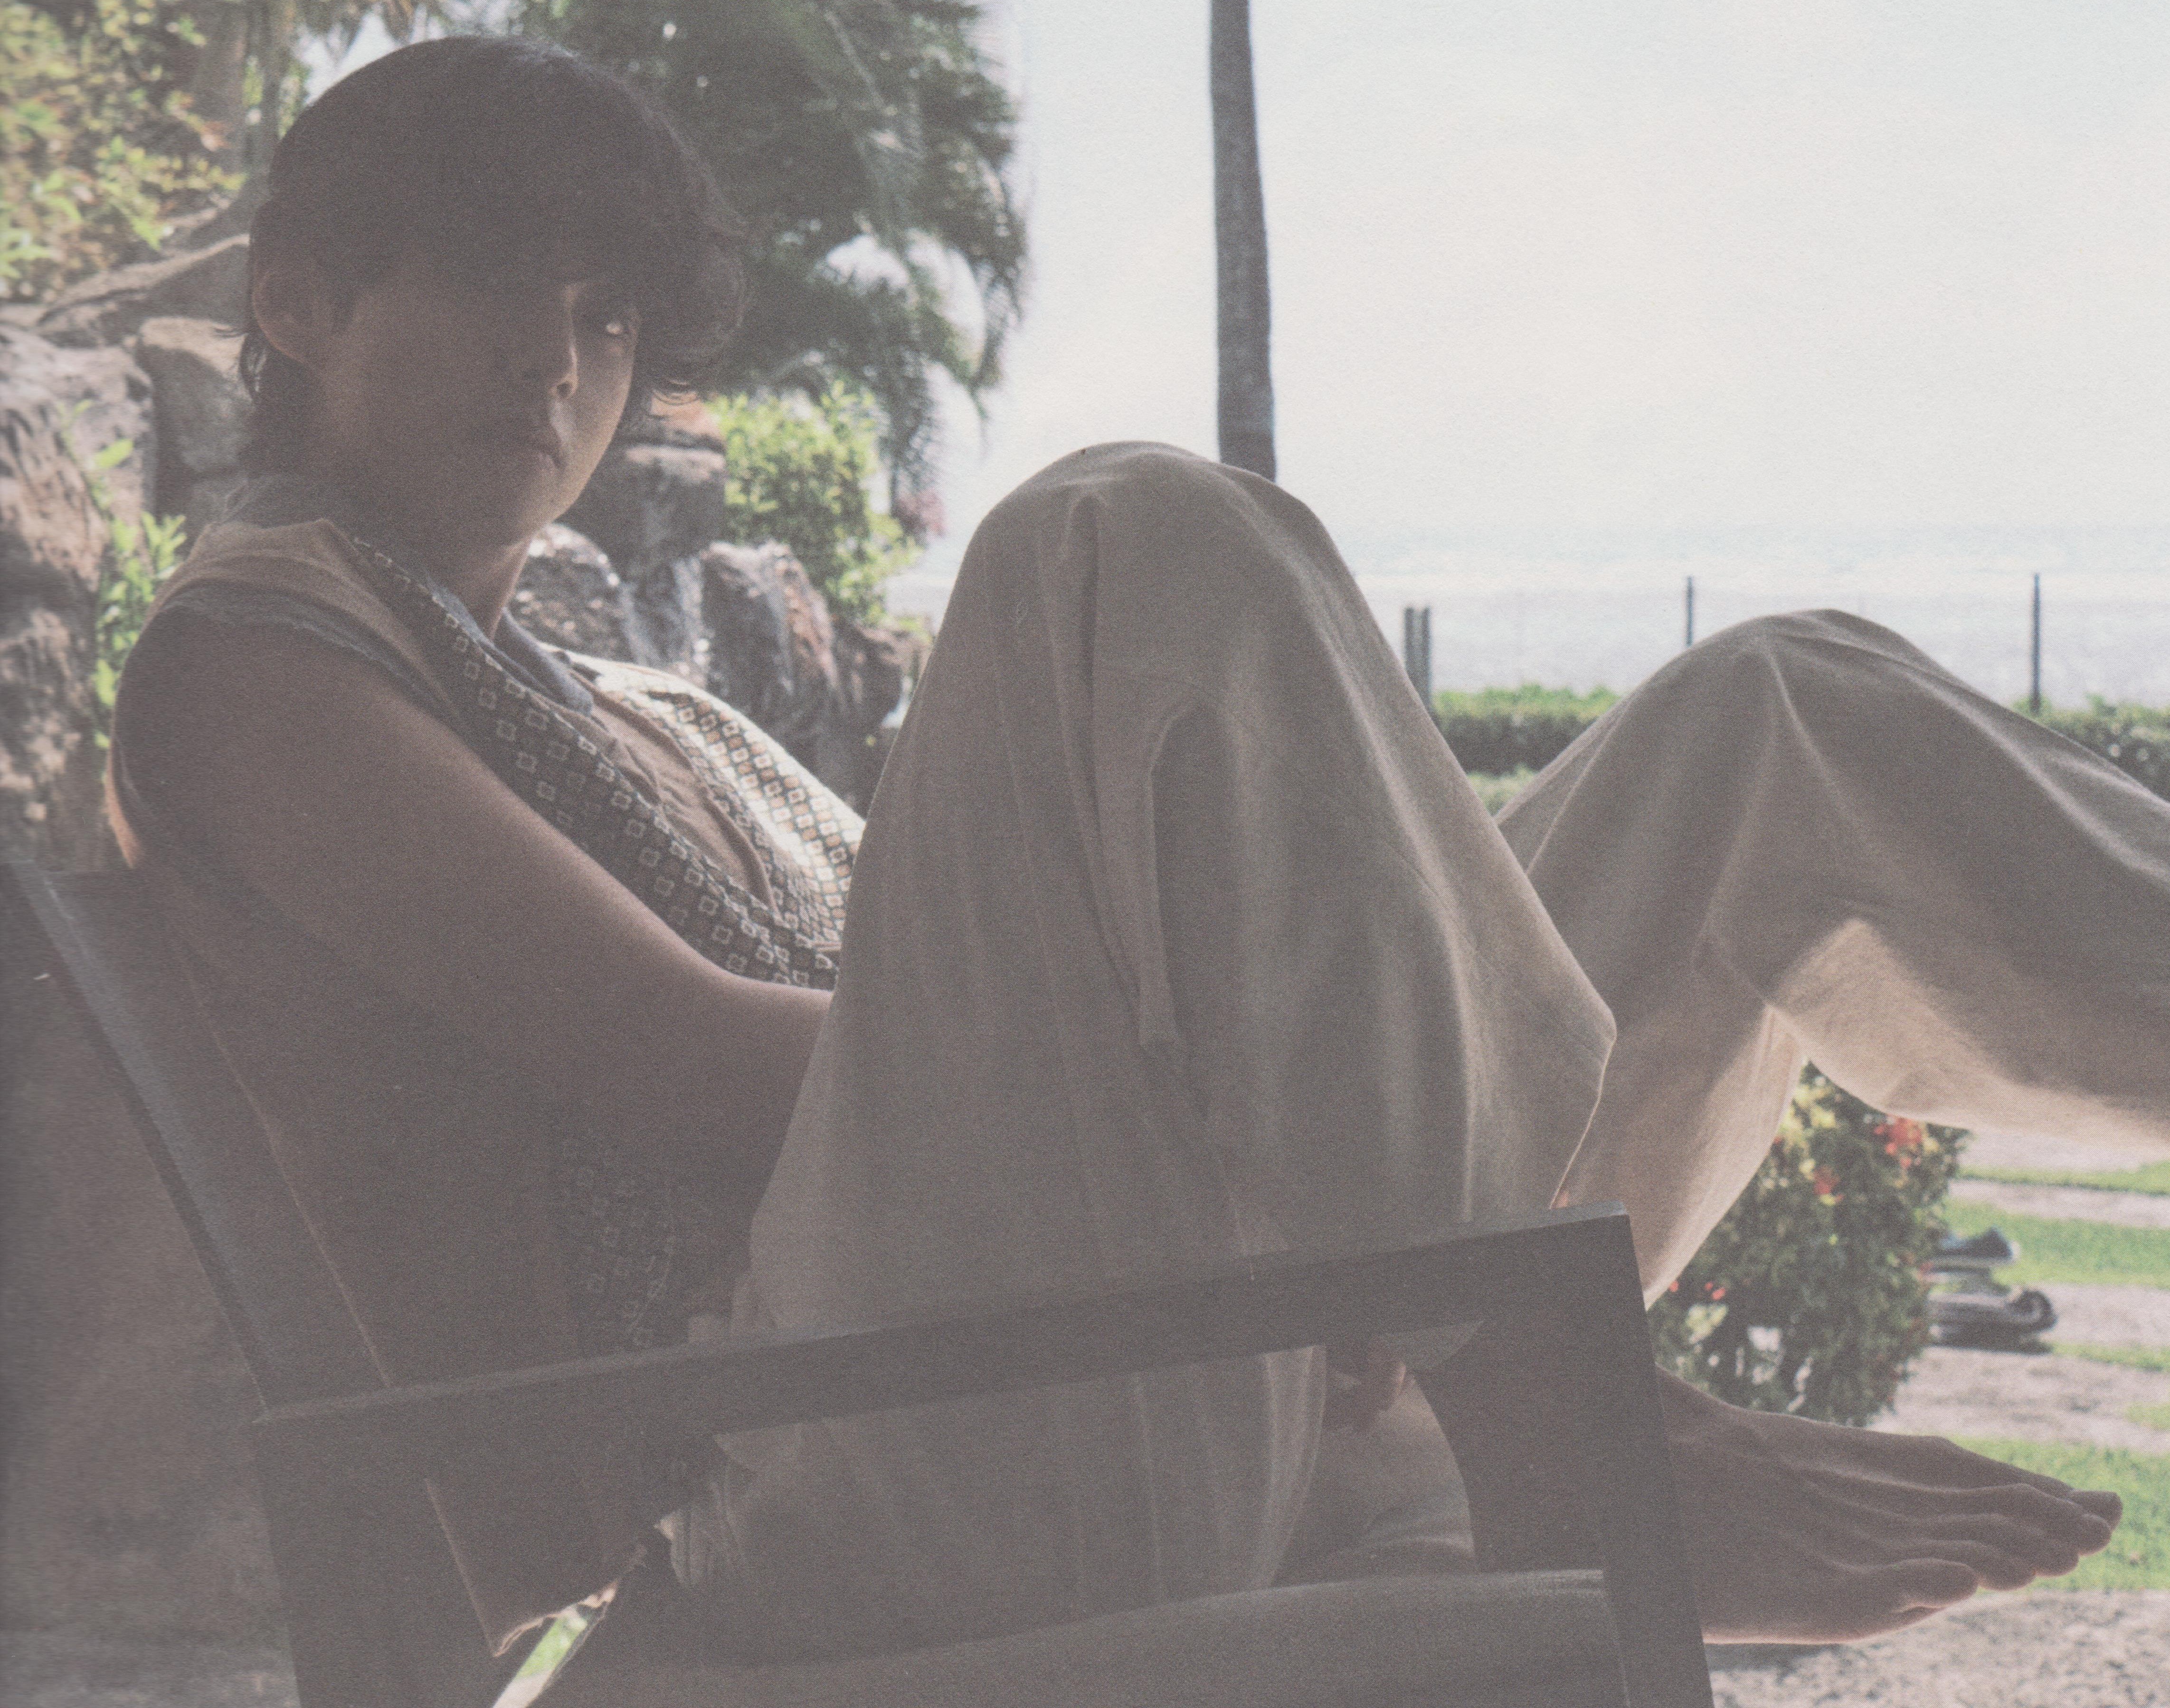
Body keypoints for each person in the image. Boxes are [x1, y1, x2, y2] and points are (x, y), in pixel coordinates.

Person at [110, 32, 2130, 1676]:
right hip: (840, 1475)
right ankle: (1552, 1402)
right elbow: (703, 1077)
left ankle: (1489, 1320)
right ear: (298, 300)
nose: (553, 362)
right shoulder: (252, 661)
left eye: (606, 313)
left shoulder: (608, 695)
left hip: (1116, 1356)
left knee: (1768, 719)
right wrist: (1268, 1160)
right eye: (487, 280)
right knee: (1124, 537)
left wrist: (1296, 1145)